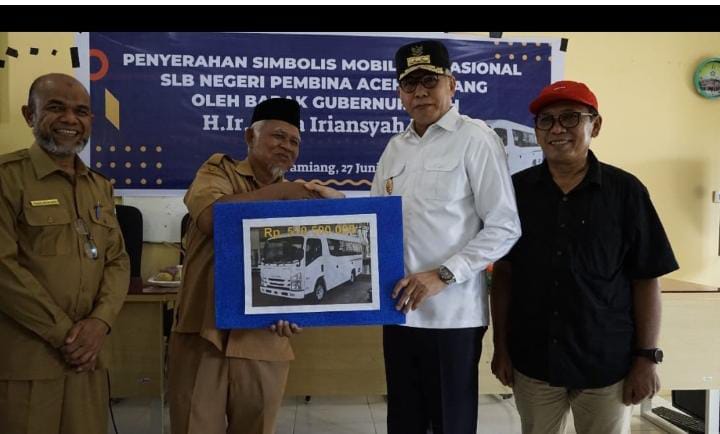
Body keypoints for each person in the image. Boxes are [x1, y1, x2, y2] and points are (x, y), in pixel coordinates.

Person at [490, 80, 679, 434]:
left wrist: (647, 357)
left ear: (596, 125)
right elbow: (504, 274)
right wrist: (501, 347)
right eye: (546, 120)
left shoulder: (627, 192)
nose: (557, 129)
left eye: (570, 117)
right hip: (534, 360)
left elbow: (646, 278)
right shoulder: (516, 192)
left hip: (606, 364)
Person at [370, 40, 522, 434]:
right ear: (399, 92)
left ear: (451, 85)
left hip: (452, 318)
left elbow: (505, 226)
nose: (420, 92)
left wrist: (443, 274)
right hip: (399, 312)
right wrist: (333, 206)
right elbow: (375, 218)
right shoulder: (395, 148)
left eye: (430, 81)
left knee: (450, 424)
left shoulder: (475, 139)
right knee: (403, 422)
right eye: (410, 84)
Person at [168, 97, 342, 434]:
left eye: (294, 142)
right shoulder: (218, 171)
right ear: (250, 136)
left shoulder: (301, 197)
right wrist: (283, 193)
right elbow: (212, 219)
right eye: (278, 136)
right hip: (204, 332)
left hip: (266, 336)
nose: (287, 147)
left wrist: (299, 311)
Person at [0, 73, 130, 434]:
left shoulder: (99, 186)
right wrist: (65, 335)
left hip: (87, 361)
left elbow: (117, 261)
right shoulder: (7, 178)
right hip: (28, 362)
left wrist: (100, 322)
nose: (70, 119)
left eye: (81, 111)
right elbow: (4, 269)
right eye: (56, 108)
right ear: (29, 114)